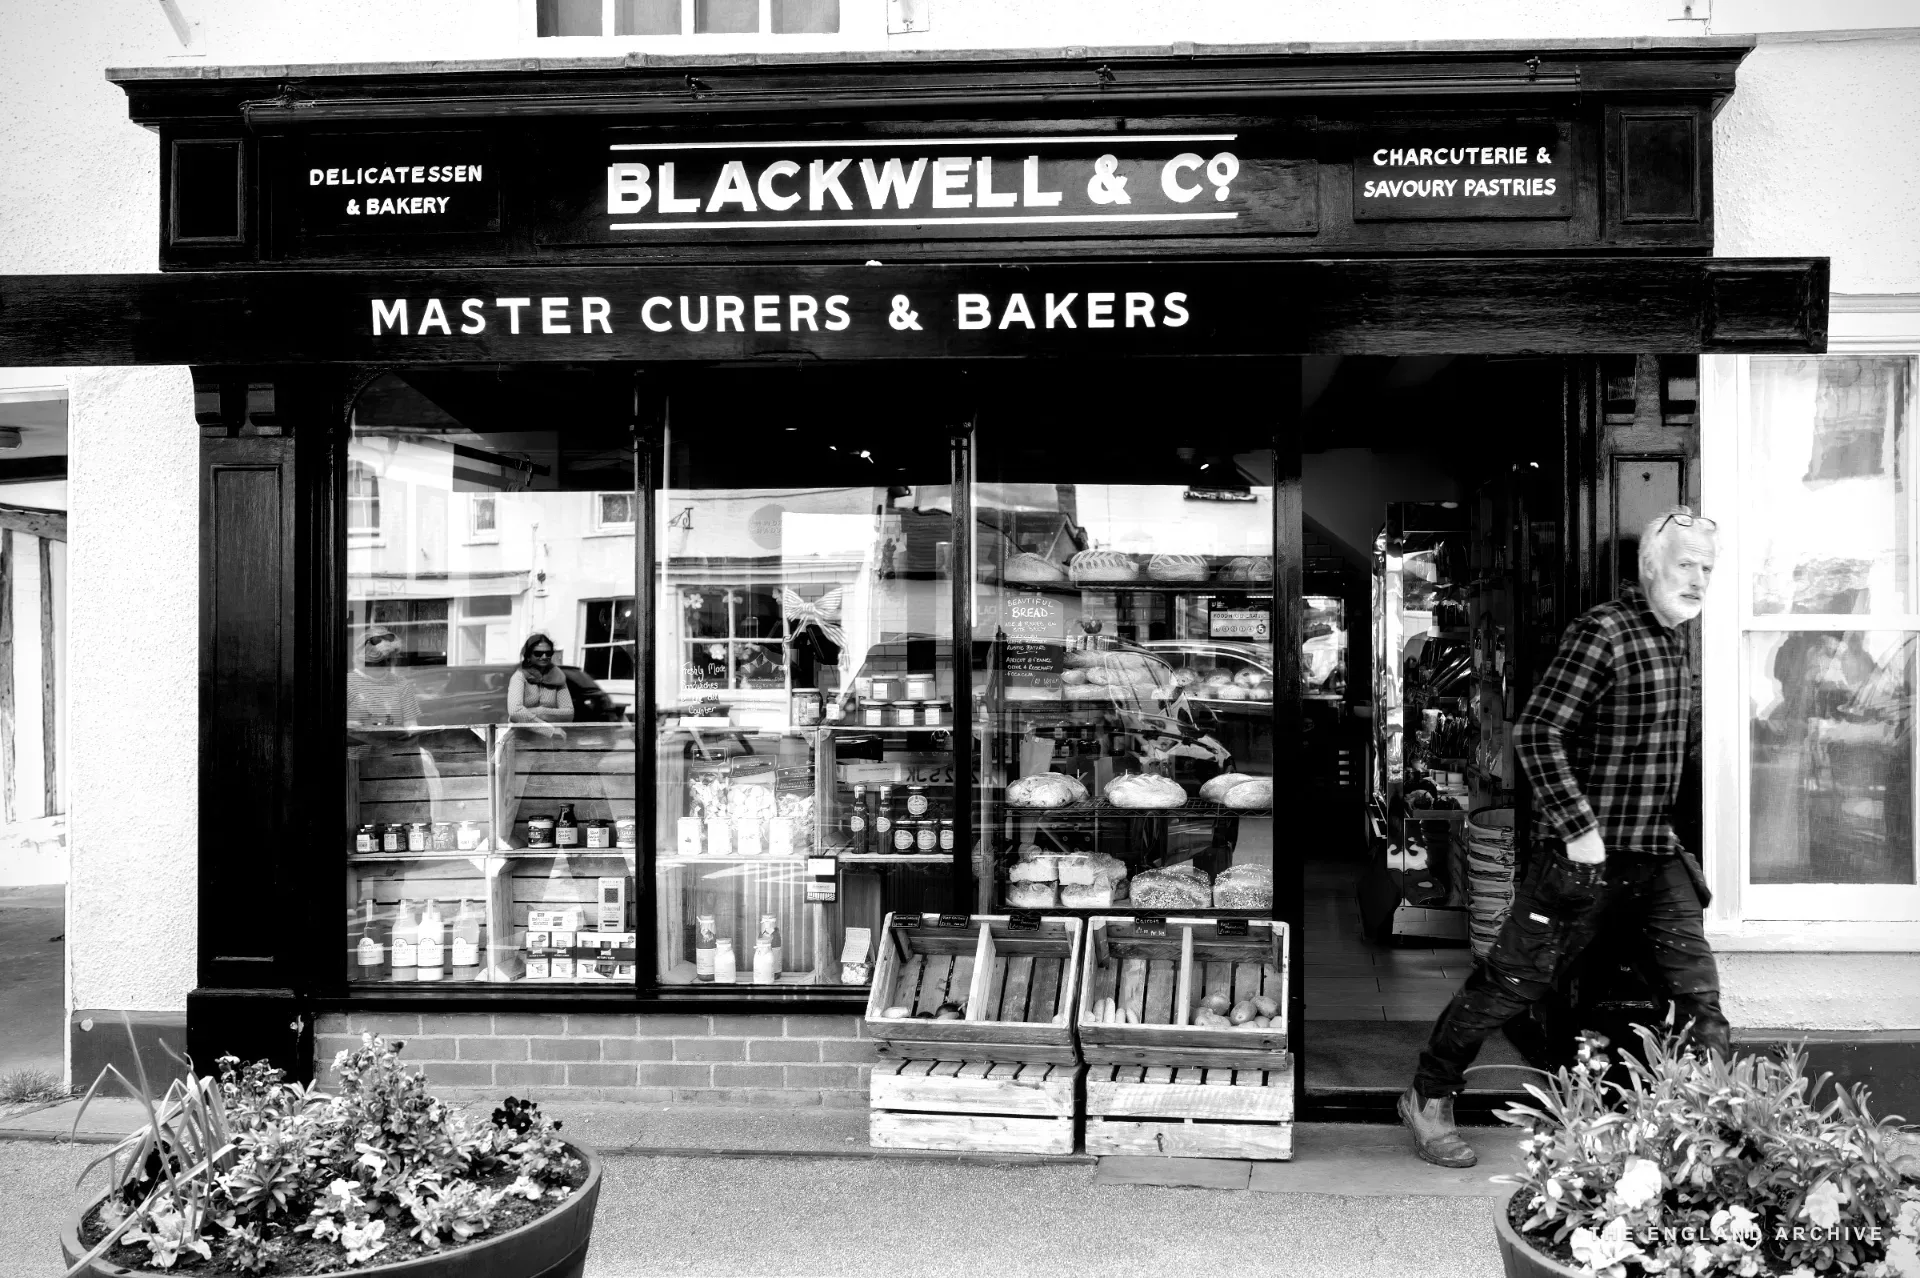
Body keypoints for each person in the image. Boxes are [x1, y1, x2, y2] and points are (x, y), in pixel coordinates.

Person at [1400, 507, 1731, 1168]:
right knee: (1509, 985)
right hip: (1582, 862)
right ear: (1651, 568)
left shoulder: (1677, 639)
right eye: (1686, 565)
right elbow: (1537, 731)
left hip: (1655, 858)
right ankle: (1428, 1095)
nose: (1698, 579)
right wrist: (1579, 829)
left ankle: (1708, 1135)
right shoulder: (1603, 631)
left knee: (1700, 1000)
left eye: (1707, 568)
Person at [494, 633, 574, 846]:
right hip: (520, 745)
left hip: (547, 748)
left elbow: (568, 713)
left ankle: (548, 840)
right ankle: (505, 839)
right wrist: (548, 728)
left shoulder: (558, 679)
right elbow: (515, 712)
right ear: (528, 655)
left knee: (544, 793)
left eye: (548, 653)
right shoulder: (519, 677)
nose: (544, 656)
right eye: (538, 653)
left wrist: (537, 711)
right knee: (511, 794)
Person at [346, 626, 420, 728]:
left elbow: (411, 725)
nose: (383, 665)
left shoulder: (401, 684)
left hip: (395, 738)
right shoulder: (346, 683)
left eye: (388, 659)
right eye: (377, 661)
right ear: (363, 659)